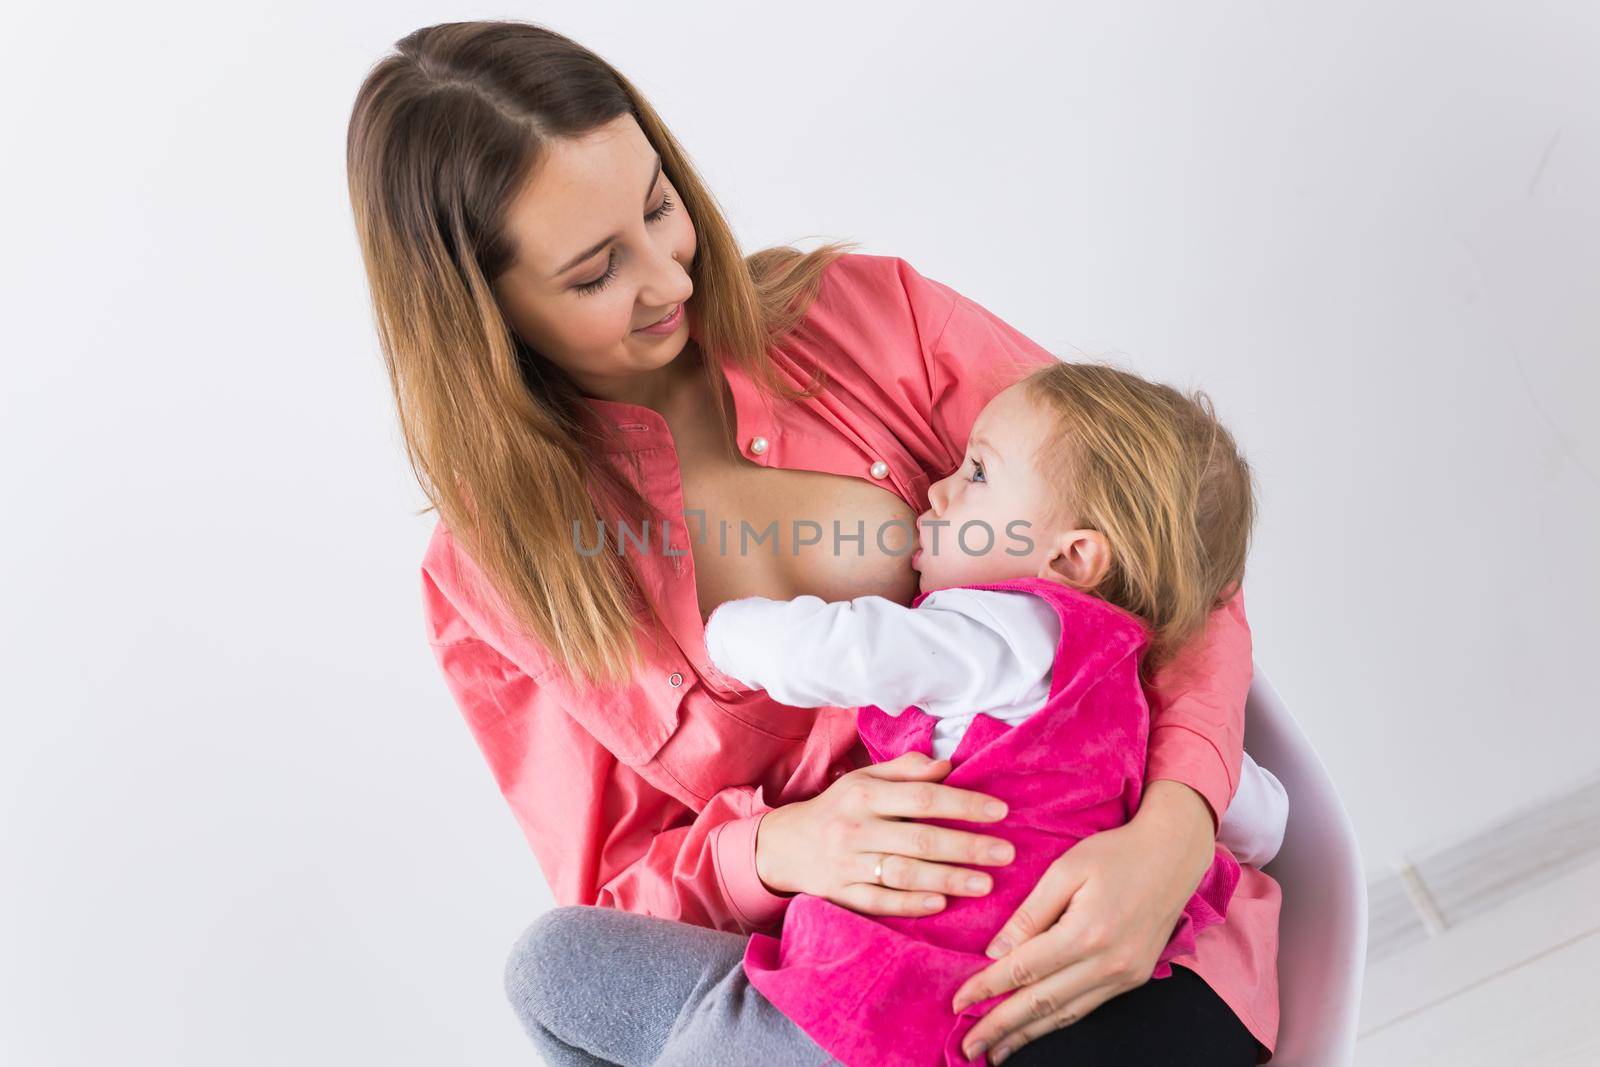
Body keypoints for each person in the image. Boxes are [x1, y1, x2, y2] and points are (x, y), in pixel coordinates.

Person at [345, 19, 1281, 1065]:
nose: (671, 280)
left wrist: (1175, 822)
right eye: (597, 270)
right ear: (484, 312)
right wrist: (777, 847)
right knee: (554, 965)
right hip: (836, 977)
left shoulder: (870, 319)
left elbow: (1172, 543)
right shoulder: (490, 579)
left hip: (1084, 898)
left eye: (660, 207)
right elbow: (618, 893)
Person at [511, 363, 1281, 1066]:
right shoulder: (1130, 695)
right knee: (552, 964)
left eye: (976, 474)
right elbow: (1262, 815)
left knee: (628, 1011)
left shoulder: (1006, 633)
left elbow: (851, 648)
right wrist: (1182, 820)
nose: (937, 490)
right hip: (831, 991)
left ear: (1072, 560)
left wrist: (729, 636)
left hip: (880, 1018)